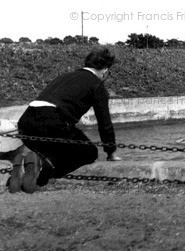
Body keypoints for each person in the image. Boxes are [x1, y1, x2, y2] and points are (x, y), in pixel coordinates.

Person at [12, 46, 121, 194]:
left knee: (56, 152)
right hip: (53, 122)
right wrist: (111, 152)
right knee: (88, 152)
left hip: (26, 123)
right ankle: (42, 173)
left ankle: (26, 172)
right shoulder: (97, 85)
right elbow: (104, 123)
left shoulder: (65, 77)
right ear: (105, 70)